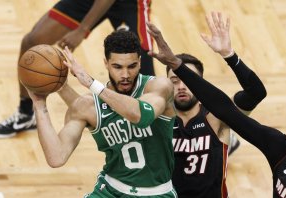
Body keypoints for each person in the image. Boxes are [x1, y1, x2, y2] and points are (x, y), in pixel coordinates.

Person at [147, 12, 286, 198]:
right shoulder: (283, 150)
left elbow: (244, 98)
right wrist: (178, 65)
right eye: (174, 81)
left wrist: (224, 56)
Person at [27, 30, 177, 197]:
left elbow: (141, 117)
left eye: (132, 66)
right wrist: (39, 106)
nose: (125, 75)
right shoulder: (88, 106)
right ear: (106, 63)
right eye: (117, 67)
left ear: (140, 63)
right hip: (110, 190)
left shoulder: (159, 87)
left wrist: (92, 84)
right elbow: (56, 157)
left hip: (157, 193)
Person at [0, 0, 155, 138]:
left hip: (131, 3)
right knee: (32, 42)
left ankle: (162, 128)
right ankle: (25, 114)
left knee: (143, 65)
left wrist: (82, 30)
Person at [167, 13, 266, 197]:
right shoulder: (158, 119)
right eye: (174, 80)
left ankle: (230, 145)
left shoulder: (217, 118)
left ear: (200, 84)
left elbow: (256, 93)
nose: (181, 86)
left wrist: (229, 55)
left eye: (189, 80)